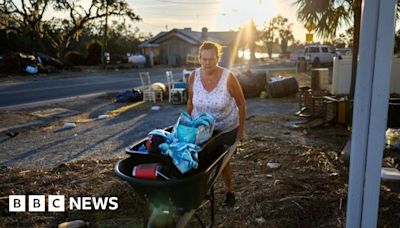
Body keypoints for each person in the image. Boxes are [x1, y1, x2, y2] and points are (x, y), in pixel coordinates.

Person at [186, 41, 246, 207]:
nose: (207, 63)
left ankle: (229, 192)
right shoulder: (193, 76)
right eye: (204, 59)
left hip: (225, 127)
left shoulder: (228, 77)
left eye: (211, 59)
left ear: (218, 59)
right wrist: (186, 126)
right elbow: (190, 103)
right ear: (199, 58)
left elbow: (241, 103)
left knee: (222, 162)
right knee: (199, 159)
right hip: (201, 128)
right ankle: (198, 192)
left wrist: (241, 131)